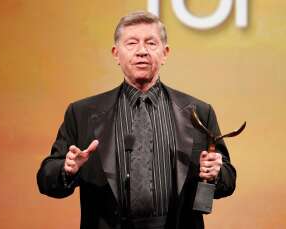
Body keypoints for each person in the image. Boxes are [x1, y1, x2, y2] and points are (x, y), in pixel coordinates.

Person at [37, 11, 236, 229]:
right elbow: (46, 178)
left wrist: (216, 173)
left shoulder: (198, 112)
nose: (142, 51)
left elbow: (227, 179)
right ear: (116, 53)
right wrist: (67, 169)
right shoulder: (82, 113)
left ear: (165, 53)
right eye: (131, 43)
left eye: (151, 43)